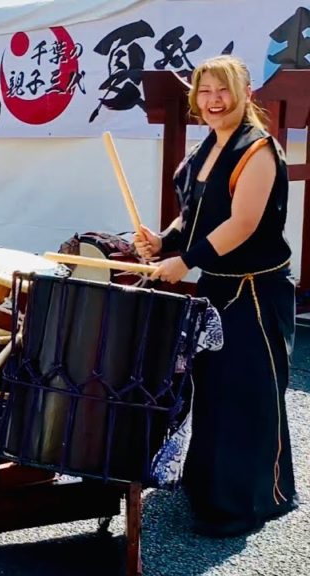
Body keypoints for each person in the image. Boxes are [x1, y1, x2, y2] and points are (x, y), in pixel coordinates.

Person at [133, 55, 298, 537]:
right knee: (211, 390)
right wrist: (163, 240)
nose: (213, 100)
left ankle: (246, 503)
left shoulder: (258, 149)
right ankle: (208, 490)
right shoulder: (207, 145)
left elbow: (242, 224)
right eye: (204, 91)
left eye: (223, 90)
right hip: (217, 288)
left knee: (246, 393)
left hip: (254, 291)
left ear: (245, 93)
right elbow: (194, 214)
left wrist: (184, 261)